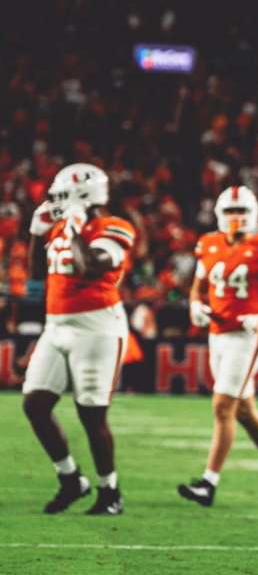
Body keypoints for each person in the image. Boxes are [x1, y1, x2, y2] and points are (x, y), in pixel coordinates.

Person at [177, 185, 258, 507]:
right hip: (218, 334)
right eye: (231, 211)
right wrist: (195, 306)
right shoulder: (208, 244)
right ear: (220, 214)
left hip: (248, 336)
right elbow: (197, 289)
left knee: (222, 406)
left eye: (242, 211)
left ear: (253, 214)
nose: (236, 217)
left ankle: (208, 482)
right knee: (243, 410)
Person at [23, 164, 135, 515]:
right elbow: (37, 274)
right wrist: (36, 233)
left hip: (96, 328)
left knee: (91, 415)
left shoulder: (114, 226)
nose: (56, 202)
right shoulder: (63, 226)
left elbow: (90, 265)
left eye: (62, 196)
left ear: (84, 195)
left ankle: (110, 490)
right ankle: (71, 479)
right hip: (56, 325)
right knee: (35, 404)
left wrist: (73, 228)